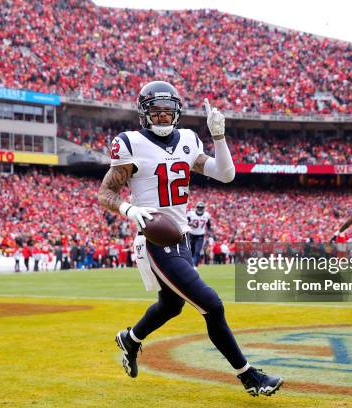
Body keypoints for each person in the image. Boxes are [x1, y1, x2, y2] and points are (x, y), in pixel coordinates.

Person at [97, 81, 282, 396]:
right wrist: (130, 210)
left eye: (168, 111)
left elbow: (225, 174)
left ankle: (130, 339)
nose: (162, 117)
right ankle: (249, 377)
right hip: (156, 237)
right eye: (155, 112)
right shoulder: (129, 143)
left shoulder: (189, 139)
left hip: (180, 237)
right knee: (212, 305)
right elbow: (106, 192)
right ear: (144, 113)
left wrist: (219, 137)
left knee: (171, 307)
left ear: (177, 113)